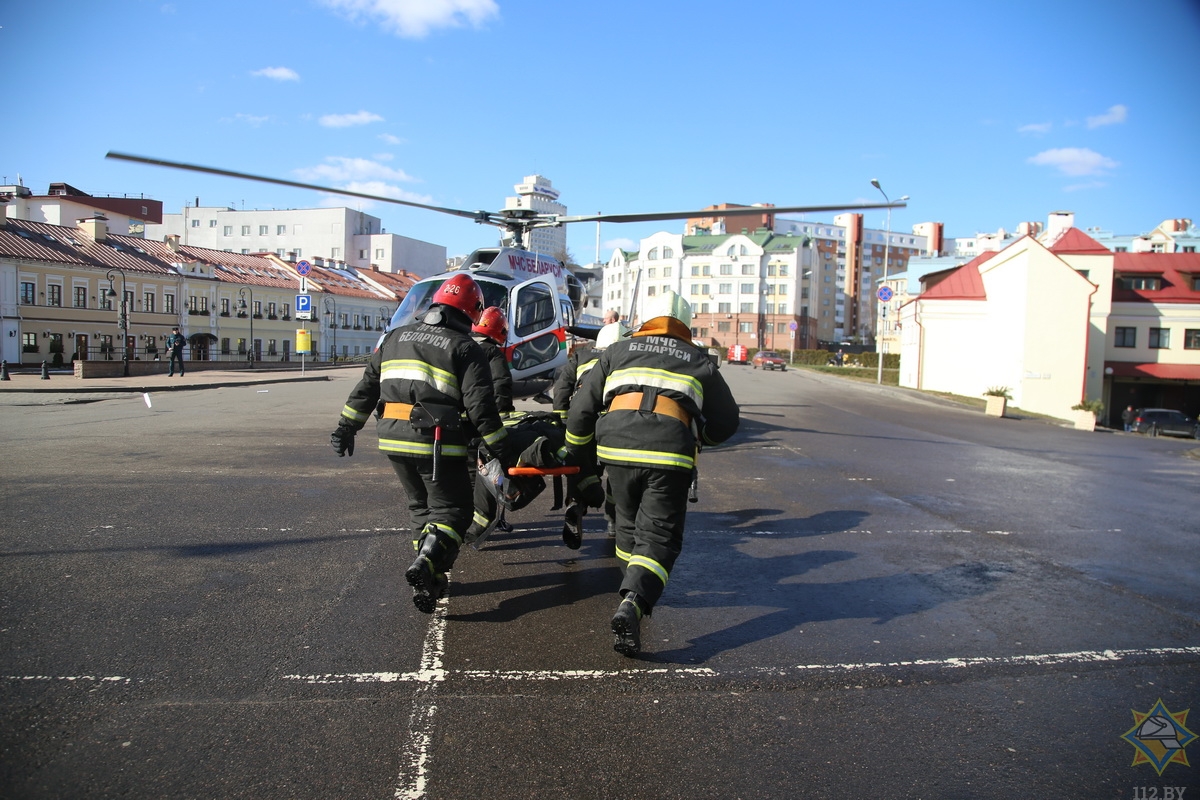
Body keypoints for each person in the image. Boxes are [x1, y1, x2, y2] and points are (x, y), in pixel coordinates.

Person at [563, 290, 740, 656]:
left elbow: (581, 410)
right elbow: (727, 421)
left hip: (616, 451)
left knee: (626, 525)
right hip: (669, 455)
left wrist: (579, 457)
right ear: (685, 324)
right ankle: (634, 601)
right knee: (659, 535)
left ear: (644, 320)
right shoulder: (699, 359)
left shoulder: (615, 351)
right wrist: (699, 436)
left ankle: (632, 586)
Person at [330, 273, 511, 614]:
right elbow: (481, 408)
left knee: (420, 508)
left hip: (392, 437)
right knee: (454, 512)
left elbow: (368, 387)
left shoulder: (395, 337)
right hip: (438, 441)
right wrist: (502, 451)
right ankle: (428, 558)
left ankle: (430, 573)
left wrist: (346, 428)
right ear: (473, 312)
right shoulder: (466, 347)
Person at [471, 307, 514, 415]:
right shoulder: (493, 352)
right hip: (482, 411)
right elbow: (501, 382)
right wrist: (503, 411)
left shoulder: (463, 345)